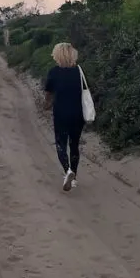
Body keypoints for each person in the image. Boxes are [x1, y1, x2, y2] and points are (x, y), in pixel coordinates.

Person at [43, 42, 87, 191]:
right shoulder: (79, 71)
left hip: (61, 112)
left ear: (57, 55)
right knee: (74, 145)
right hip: (78, 113)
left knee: (61, 144)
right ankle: (74, 178)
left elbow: (48, 93)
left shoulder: (54, 72)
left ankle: (67, 170)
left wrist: (46, 104)